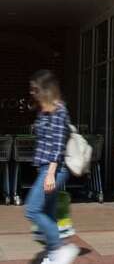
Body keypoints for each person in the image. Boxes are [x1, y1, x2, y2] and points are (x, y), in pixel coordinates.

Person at [25, 70, 79, 264]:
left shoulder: (59, 110)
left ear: (45, 89)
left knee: (32, 209)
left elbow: (57, 144)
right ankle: (52, 253)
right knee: (47, 212)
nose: (32, 92)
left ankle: (58, 249)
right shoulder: (45, 110)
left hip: (54, 168)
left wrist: (50, 174)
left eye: (35, 89)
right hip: (45, 167)